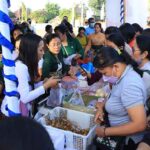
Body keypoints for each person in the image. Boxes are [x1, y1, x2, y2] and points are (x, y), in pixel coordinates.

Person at [94, 46, 146, 149]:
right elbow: (115, 96)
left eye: (105, 73)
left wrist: (105, 132)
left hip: (124, 142)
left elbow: (139, 124)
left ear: (116, 66)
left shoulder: (130, 84)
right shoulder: (120, 76)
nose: (104, 77)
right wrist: (102, 107)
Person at [1, 33, 60, 117]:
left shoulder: (27, 64)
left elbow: (28, 86)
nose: (43, 53)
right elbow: (25, 97)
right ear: (31, 51)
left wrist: (43, 83)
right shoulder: (20, 67)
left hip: (21, 109)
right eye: (40, 50)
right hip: (12, 113)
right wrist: (46, 86)